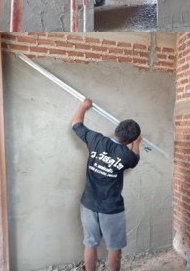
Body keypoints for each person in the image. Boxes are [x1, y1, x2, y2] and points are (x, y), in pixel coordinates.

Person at [72, 98, 141, 271]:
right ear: (128, 141)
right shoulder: (127, 156)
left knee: (90, 244)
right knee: (114, 248)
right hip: (111, 208)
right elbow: (135, 159)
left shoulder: (96, 140)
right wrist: (137, 143)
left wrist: (83, 107)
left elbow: (76, 125)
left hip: (88, 204)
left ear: (116, 130)